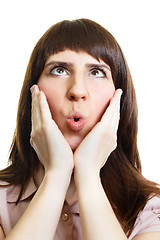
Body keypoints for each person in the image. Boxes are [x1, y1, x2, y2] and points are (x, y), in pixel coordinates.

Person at [0, 18, 160, 240]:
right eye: (59, 70)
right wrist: (56, 174)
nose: (77, 90)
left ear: (118, 99)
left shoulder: (149, 210)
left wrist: (88, 173)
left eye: (96, 72)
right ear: (34, 92)